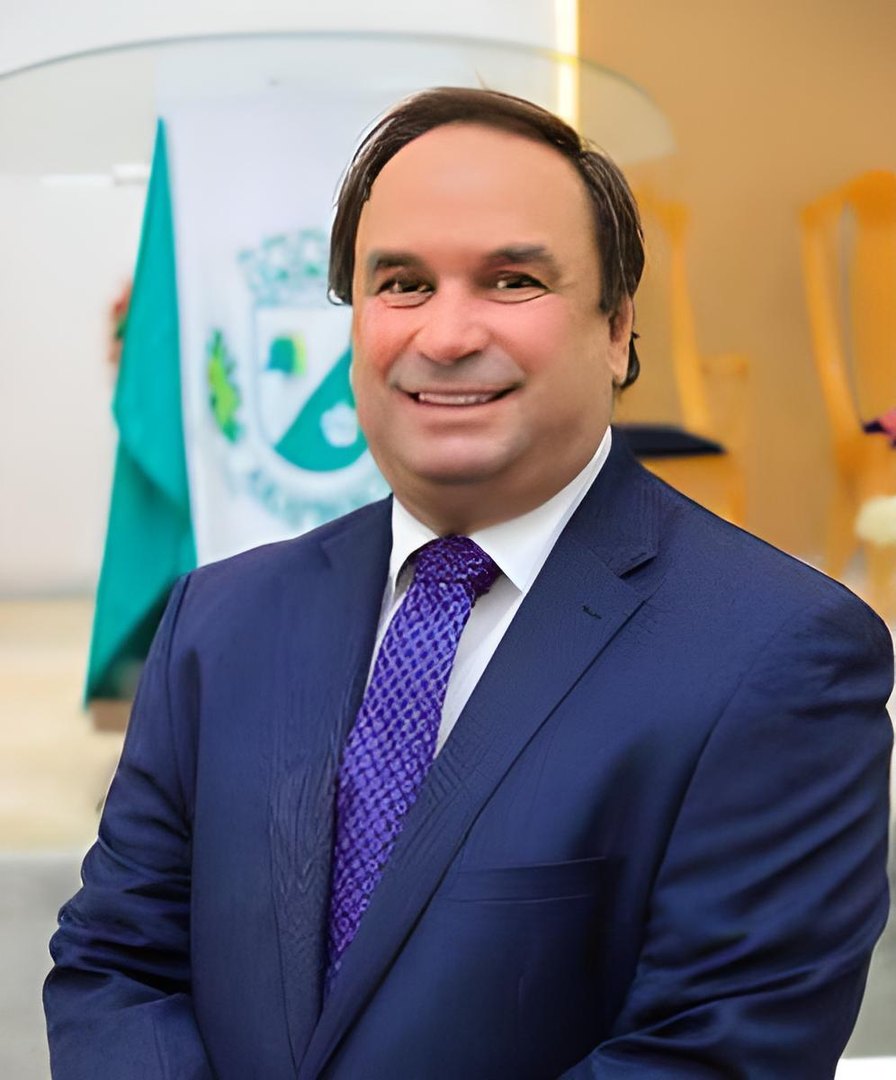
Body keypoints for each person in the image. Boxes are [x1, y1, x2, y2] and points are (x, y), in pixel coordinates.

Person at [45, 87, 893, 1079]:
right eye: (401, 283)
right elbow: (117, 967)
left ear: (616, 327)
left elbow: (710, 1055)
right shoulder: (219, 621)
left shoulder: (777, 655)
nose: (445, 336)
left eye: (511, 281)